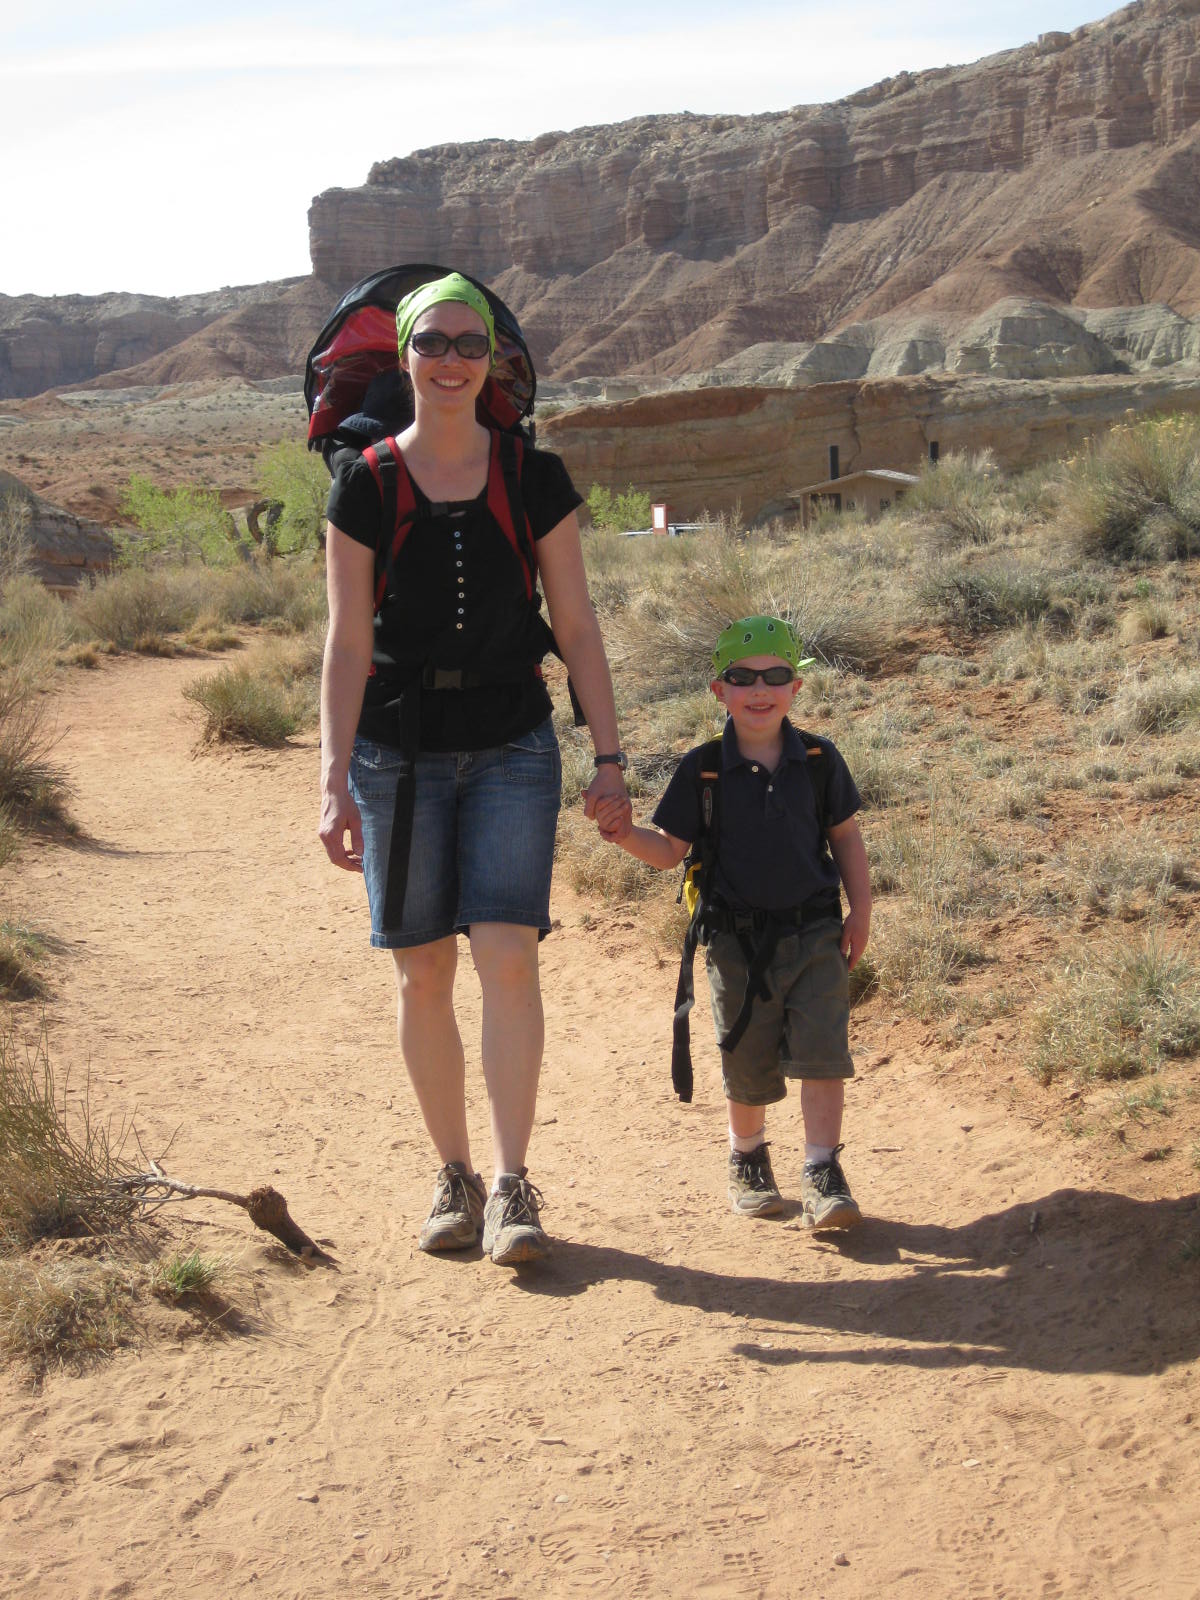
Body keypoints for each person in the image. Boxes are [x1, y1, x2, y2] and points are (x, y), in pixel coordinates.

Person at [318, 271, 628, 1266]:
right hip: (395, 756)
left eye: (469, 344)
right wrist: (332, 777)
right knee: (424, 972)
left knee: (508, 956)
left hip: (511, 747)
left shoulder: (534, 476)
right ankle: (451, 1173)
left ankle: (510, 1182)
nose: (450, 361)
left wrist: (609, 756)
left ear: (494, 359)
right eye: (432, 342)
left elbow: (577, 626)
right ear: (403, 354)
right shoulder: (365, 482)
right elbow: (345, 642)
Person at [595, 615, 871, 1228]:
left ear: (797, 686)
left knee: (823, 1053)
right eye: (742, 677)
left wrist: (861, 911)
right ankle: (747, 1157)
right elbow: (670, 850)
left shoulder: (820, 760)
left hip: (816, 932)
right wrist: (624, 835)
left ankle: (822, 1171)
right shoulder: (703, 769)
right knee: (746, 1058)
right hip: (734, 943)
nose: (759, 689)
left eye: (775, 675)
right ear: (719, 690)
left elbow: (846, 837)